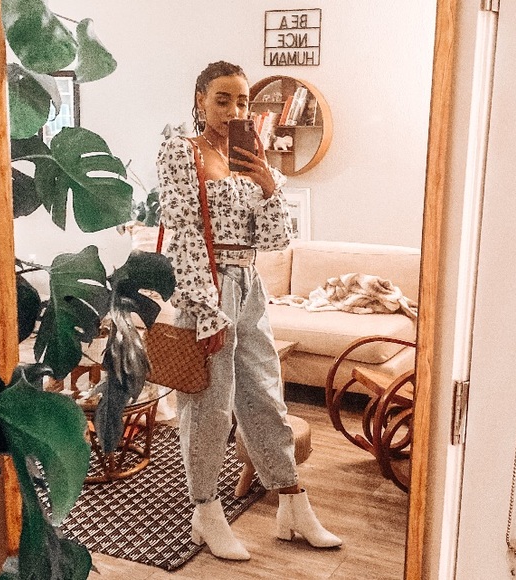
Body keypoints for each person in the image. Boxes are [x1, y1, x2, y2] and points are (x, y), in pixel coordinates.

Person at [156, 61, 342, 561]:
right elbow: (185, 235)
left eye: (242, 101)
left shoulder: (251, 158)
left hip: (249, 284)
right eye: (223, 100)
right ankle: (205, 511)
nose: (235, 110)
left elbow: (276, 240)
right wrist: (207, 309)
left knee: (265, 394)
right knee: (210, 406)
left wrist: (267, 185)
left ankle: (292, 503)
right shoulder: (181, 151)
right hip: (207, 288)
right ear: (200, 101)